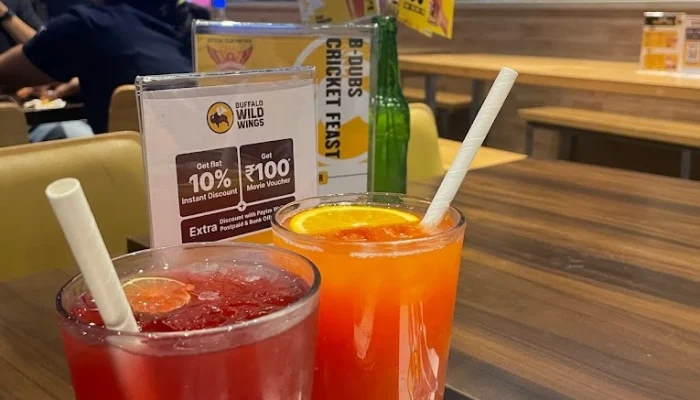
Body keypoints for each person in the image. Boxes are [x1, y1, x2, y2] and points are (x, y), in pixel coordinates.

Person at [0, 0, 210, 134]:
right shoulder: (201, 23)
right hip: (210, 176)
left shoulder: (88, 24)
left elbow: (6, 72)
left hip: (128, 177)